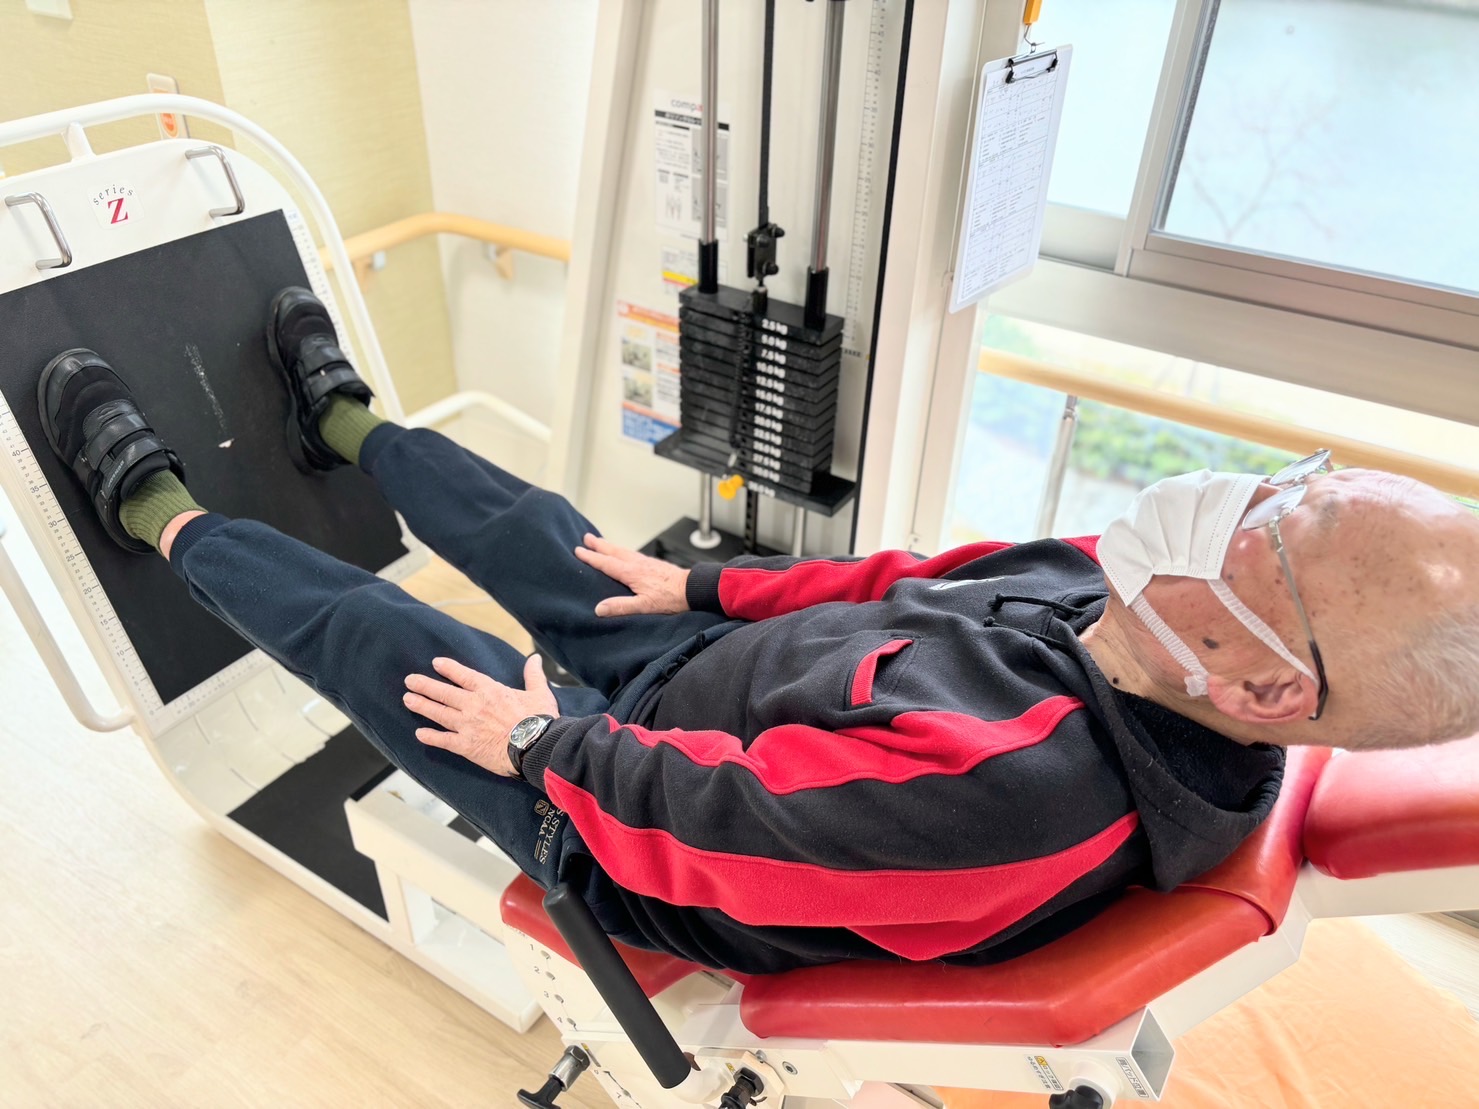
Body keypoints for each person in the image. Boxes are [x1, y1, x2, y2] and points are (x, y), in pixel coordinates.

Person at [38, 289, 1479, 974]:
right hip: (699, 678)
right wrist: (704, 592)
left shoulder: (1024, 804)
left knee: (388, 641)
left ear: (1265, 684)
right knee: (544, 529)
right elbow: (901, 580)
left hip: (625, 822)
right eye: (1294, 482)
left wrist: (539, 742)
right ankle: (346, 421)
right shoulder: (1129, 598)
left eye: (1272, 532)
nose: (1236, 497)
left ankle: (154, 511)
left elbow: (728, 836)